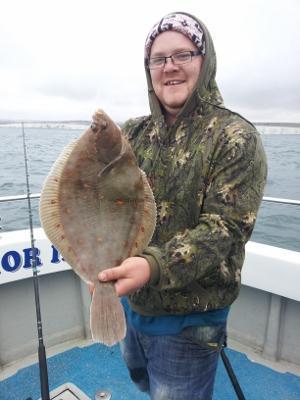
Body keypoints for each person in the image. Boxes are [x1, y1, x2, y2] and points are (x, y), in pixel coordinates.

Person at [93, 11, 267, 400]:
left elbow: (223, 230)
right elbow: (104, 200)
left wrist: (151, 265)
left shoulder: (235, 137)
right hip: (132, 303)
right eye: (159, 59)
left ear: (205, 61)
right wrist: (95, 257)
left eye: (183, 55)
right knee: (143, 383)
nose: (169, 67)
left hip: (190, 319)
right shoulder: (133, 133)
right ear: (148, 69)